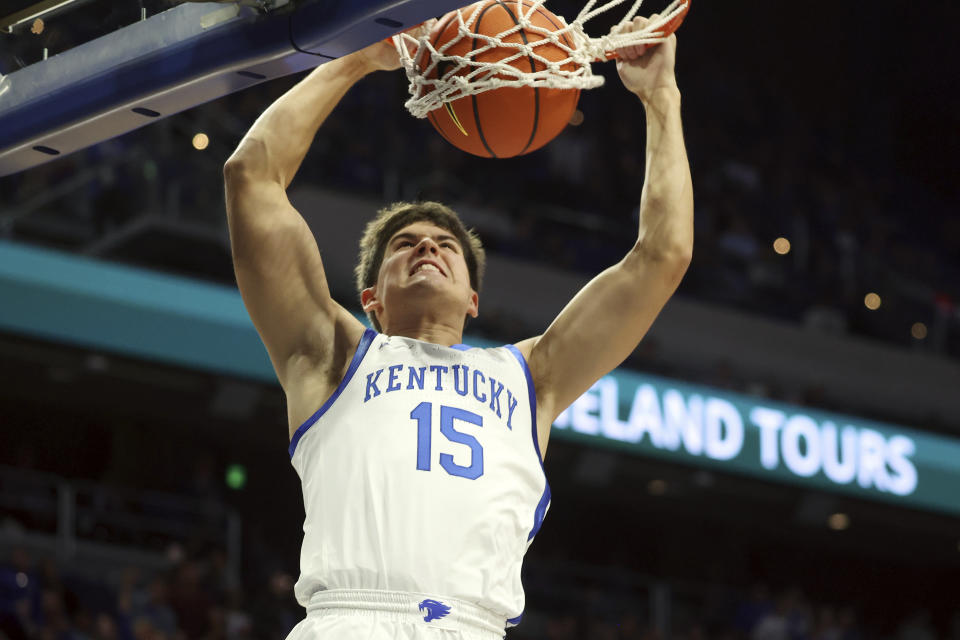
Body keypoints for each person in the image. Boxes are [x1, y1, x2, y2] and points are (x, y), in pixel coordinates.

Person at [222, 14, 692, 640]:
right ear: (372, 298)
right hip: (349, 620)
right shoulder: (332, 355)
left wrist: (662, 97)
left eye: (445, 244)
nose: (426, 248)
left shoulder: (532, 377)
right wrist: (358, 59)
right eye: (404, 244)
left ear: (473, 298)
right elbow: (250, 176)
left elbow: (663, 255)